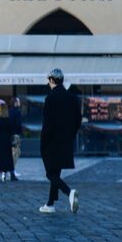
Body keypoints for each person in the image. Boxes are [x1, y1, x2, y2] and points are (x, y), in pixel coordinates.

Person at [40, 68, 81, 214]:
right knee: (55, 173)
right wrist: (71, 135)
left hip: (51, 142)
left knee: (50, 174)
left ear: (51, 80)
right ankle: (50, 204)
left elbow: (48, 123)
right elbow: (78, 120)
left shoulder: (50, 98)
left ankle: (69, 192)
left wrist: (43, 142)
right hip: (66, 142)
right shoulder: (72, 98)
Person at [9, 97, 22, 181]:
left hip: (11, 135)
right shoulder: (16, 112)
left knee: (14, 153)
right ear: (15, 103)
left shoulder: (9, 111)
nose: (19, 103)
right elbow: (17, 124)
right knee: (15, 154)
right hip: (15, 135)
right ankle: (11, 171)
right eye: (18, 101)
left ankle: (11, 171)